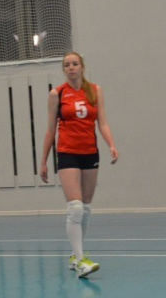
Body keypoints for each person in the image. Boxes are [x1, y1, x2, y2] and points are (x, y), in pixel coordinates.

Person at [39, 52, 119, 278]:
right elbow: (50, 130)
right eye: (67, 65)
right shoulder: (57, 94)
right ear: (64, 69)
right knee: (74, 207)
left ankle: (75, 256)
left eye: (75, 64)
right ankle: (81, 260)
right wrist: (43, 161)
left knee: (85, 208)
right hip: (67, 153)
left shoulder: (94, 90)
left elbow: (103, 122)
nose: (71, 68)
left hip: (90, 152)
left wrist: (111, 145)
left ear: (82, 66)